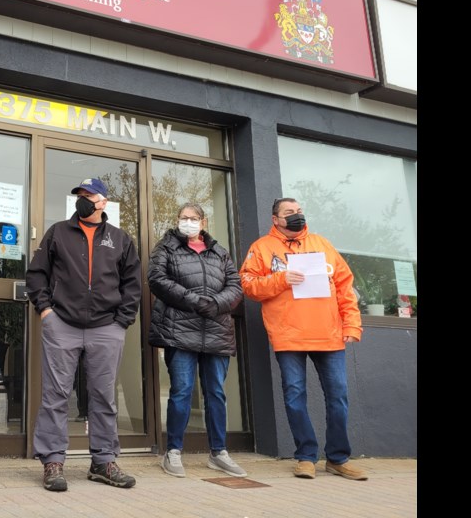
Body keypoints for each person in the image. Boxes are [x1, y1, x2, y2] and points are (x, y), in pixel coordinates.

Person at [239, 197, 367, 481]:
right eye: (289, 213)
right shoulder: (261, 248)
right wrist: (281, 279)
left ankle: (337, 458)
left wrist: (352, 325)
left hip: (329, 334)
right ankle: (306, 456)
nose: (297, 216)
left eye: (299, 211)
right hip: (289, 335)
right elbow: (247, 285)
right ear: (276, 219)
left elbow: (346, 287)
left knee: (338, 398)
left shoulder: (322, 244)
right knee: (295, 397)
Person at [25, 177, 141, 492]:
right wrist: (46, 312)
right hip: (61, 323)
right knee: (55, 395)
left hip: (107, 327)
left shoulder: (120, 238)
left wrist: (123, 320)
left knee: (103, 396)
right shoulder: (58, 233)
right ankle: (53, 462)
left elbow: (132, 283)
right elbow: (37, 274)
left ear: (103, 202)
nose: (84, 199)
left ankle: (103, 462)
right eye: (80, 194)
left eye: (90, 195)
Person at [148, 203, 247, 479]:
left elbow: (235, 287)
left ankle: (219, 453)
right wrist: (194, 301)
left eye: (193, 218)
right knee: (181, 391)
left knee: (215, 392)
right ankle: (174, 452)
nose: (188, 222)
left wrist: (215, 304)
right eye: (183, 218)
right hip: (179, 331)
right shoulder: (166, 247)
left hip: (216, 331)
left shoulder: (220, 252)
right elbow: (157, 279)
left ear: (203, 221)